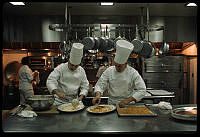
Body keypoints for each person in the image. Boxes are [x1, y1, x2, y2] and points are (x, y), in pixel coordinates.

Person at [92, 40, 147, 107]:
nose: (117, 68)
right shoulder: (109, 71)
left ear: (126, 64)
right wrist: (98, 95)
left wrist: (127, 101)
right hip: (112, 104)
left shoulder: (133, 72)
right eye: (116, 65)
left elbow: (142, 90)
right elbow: (100, 85)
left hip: (128, 105)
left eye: (120, 66)